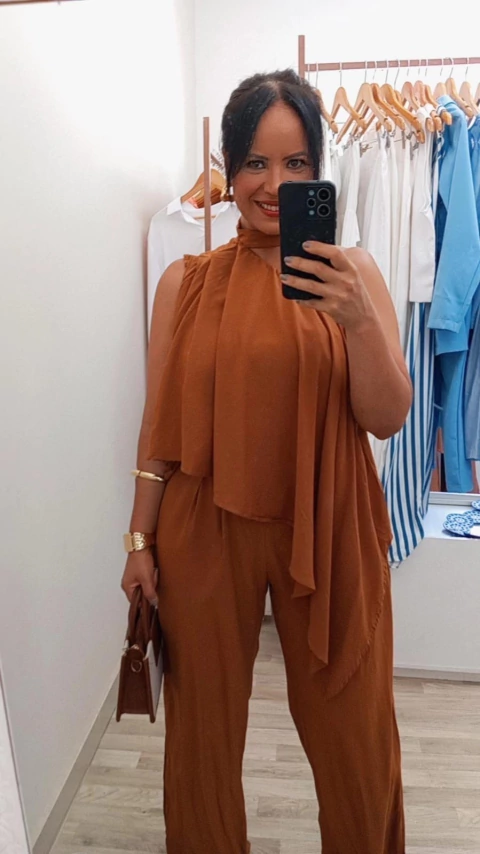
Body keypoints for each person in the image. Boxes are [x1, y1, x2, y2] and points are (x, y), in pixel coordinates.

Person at [121, 69, 412, 854]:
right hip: (204, 525)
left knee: (356, 742)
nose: (274, 184)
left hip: (331, 519)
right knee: (202, 743)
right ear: (227, 167)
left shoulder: (356, 274)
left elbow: (388, 416)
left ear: (318, 170)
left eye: (295, 163)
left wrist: (356, 321)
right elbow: (158, 431)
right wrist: (139, 541)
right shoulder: (184, 283)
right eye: (254, 161)